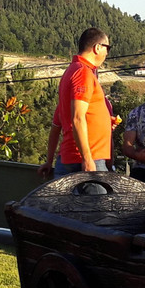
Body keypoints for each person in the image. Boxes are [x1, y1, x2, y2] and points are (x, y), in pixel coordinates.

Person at [39, 28, 112, 178]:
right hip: (86, 159)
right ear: (98, 48)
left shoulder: (72, 71)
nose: (107, 53)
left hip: (73, 158)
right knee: (99, 195)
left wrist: (49, 160)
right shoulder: (82, 72)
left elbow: (57, 123)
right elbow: (78, 118)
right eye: (107, 48)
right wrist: (87, 158)